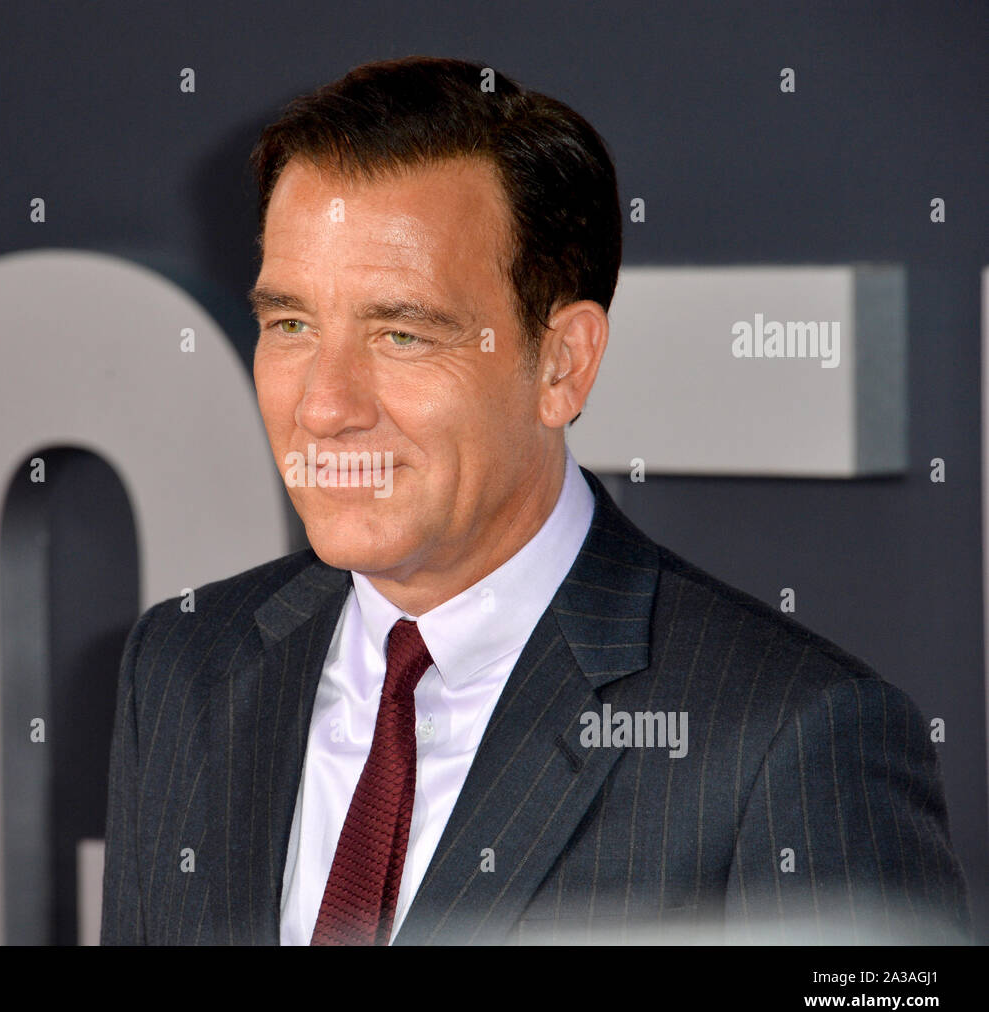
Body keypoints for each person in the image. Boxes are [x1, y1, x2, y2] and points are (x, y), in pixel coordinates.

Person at [101, 55, 968, 945]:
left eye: (400, 333)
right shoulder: (184, 668)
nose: (323, 406)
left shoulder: (790, 738)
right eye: (291, 324)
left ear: (563, 364)